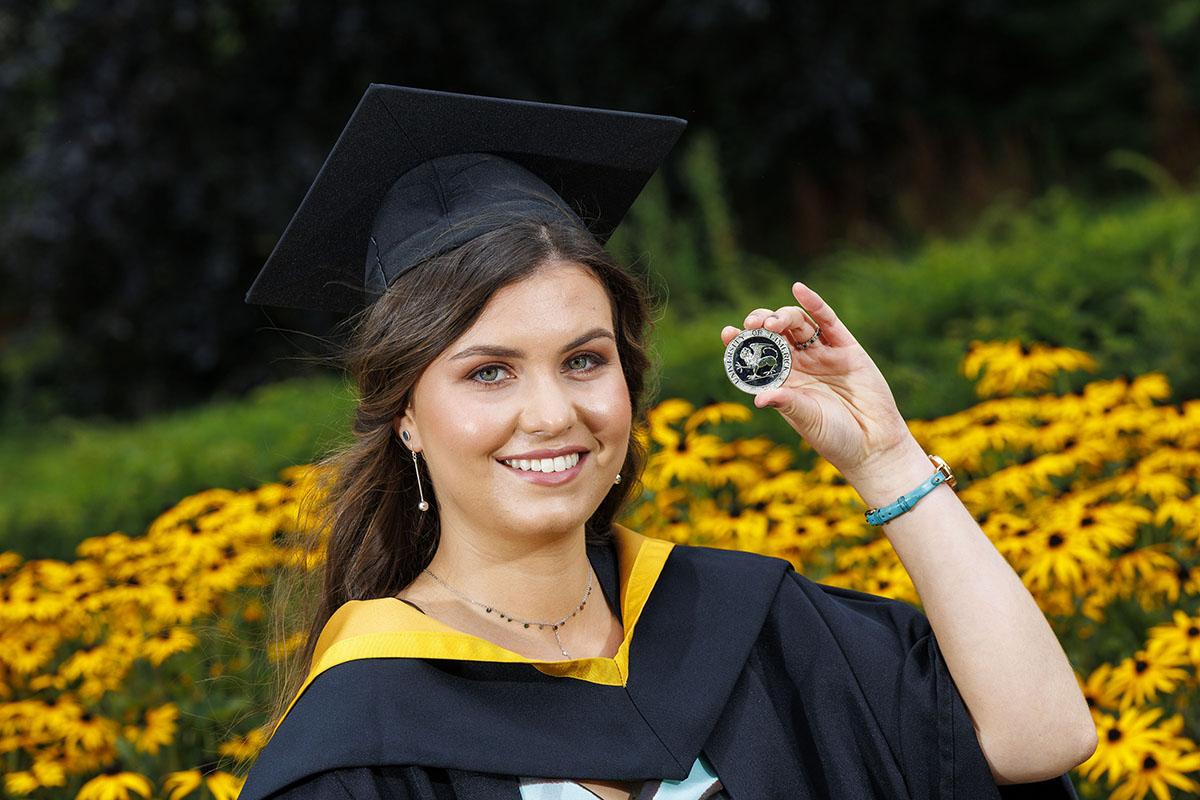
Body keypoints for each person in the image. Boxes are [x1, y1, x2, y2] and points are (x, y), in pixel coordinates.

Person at [239, 85, 1096, 800]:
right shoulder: (359, 746)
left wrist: (886, 459)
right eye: (489, 372)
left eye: (584, 360)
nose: (550, 414)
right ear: (406, 416)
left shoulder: (743, 625)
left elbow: (1039, 738)